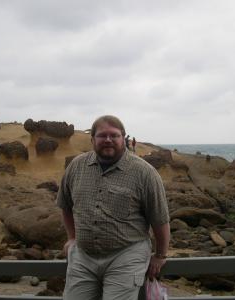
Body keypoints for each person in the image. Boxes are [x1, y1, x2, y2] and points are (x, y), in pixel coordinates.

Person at [57, 115, 170, 300]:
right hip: (83, 257)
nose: (108, 140)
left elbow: (160, 219)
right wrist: (72, 237)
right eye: (102, 135)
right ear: (92, 139)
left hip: (126, 255)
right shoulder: (76, 166)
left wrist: (160, 255)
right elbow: (65, 205)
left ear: (123, 139)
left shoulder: (145, 173)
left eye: (114, 135)